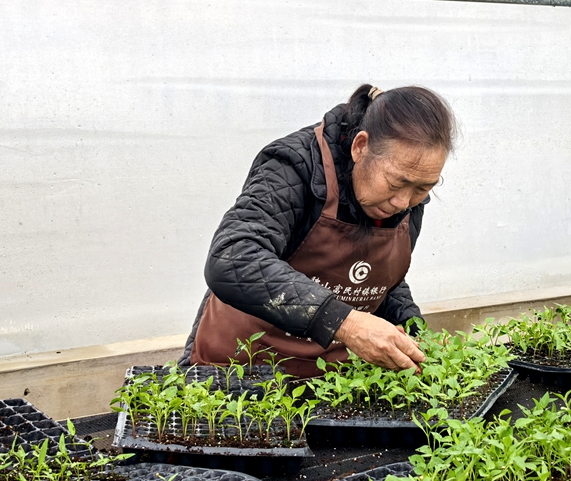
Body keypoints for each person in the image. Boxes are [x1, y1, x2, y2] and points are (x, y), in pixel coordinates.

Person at [178, 84, 456, 377]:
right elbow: (233, 258)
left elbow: (378, 278)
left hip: (328, 382)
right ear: (360, 147)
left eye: (423, 189)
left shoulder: (405, 199)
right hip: (237, 370)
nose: (404, 202)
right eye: (396, 183)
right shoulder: (294, 167)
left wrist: (414, 331)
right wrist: (346, 324)